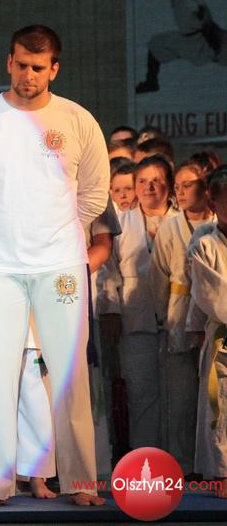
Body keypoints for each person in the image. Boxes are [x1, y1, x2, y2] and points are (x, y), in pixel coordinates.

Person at [0, 25, 109, 507]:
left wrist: (59, 232)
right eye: (20, 65)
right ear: (8, 62)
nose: (28, 75)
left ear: (54, 68)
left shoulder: (77, 120)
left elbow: (94, 193)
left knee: (70, 375)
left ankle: (80, 482)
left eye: (38, 67)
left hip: (61, 266)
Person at [101, 155, 179, 451]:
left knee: (178, 395)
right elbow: (108, 269)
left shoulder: (182, 221)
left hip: (176, 315)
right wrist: (111, 309)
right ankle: (145, 458)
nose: (149, 187)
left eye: (156, 180)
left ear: (169, 185)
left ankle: (180, 460)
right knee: (140, 394)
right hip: (135, 319)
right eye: (143, 181)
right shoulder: (122, 222)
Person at [149, 160, 214, 475]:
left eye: (188, 185)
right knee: (180, 396)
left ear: (205, 187)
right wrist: (166, 315)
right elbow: (157, 276)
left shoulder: (218, 224)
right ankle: (183, 463)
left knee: (212, 397)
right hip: (178, 310)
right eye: (177, 187)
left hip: (212, 313)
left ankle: (212, 463)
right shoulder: (170, 227)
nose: (181, 192)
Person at [188, 165, 227, 499]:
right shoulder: (205, 245)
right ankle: (223, 473)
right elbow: (209, 294)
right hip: (222, 339)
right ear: (213, 203)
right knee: (221, 409)